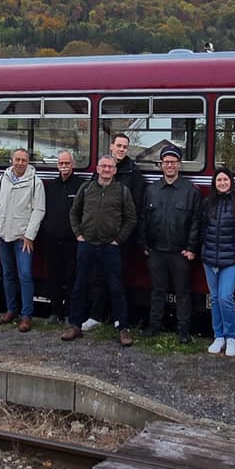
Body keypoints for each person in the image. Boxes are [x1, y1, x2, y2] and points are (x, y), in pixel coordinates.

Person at [60, 156, 136, 347]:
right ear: (97, 168)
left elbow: (130, 218)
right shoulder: (86, 188)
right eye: (103, 166)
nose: (107, 169)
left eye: (110, 167)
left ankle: (123, 328)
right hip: (86, 245)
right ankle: (75, 325)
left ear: (115, 170)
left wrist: (118, 239)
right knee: (80, 285)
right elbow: (74, 213)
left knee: (116, 287)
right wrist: (78, 234)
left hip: (110, 247)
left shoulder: (122, 191)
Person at [83, 133, 149, 332]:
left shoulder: (134, 174)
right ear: (111, 147)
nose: (121, 149)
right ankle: (96, 316)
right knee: (98, 276)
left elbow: (135, 208)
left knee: (118, 277)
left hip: (120, 238)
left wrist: (120, 237)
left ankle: (120, 320)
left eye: (125, 147)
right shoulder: (101, 169)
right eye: (118, 145)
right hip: (98, 235)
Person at [141, 145, 202, 343]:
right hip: (156, 251)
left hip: (180, 253)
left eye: (173, 162)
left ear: (179, 165)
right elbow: (144, 219)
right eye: (166, 162)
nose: (169, 165)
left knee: (183, 293)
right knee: (157, 292)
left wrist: (192, 248)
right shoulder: (151, 190)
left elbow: (196, 222)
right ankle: (154, 327)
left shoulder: (190, 191)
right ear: (161, 165)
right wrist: (144, 244)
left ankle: (183, 331)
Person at [192, 168, 235, 357]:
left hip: (230, 260)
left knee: (226, 298)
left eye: (225, 179)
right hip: (209, 259)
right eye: (219, 180)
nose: (222, 183)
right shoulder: (208, 202)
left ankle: (231, 337)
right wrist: (199, 250)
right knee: (215, 299)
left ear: (231, 181)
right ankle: (218, 337)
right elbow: (201, 228)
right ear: (214, 183)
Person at [0, 148, 47, 332]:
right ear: (11, 160)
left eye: (24, 160)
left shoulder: (35, 182)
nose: (20, 163)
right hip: (3, 235)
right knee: (7, 274)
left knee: (25, 275)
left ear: (28, 162)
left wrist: (30, 235)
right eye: (17, 159)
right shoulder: (1, 180)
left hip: (23, 237)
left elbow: (39, 210)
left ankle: (26, 315)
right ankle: (10, 309)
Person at [41, 150, 85, 323]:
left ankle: (69, 313)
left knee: (72, 277)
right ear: (57, 165)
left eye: (67, 163)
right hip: (52, 239)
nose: (64, 166)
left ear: (72, 165)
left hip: (72, 240)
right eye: (61, 163)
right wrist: (47, 228)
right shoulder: (51, 186)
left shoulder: (81, 185)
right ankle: (55, 312)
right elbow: (44, 210)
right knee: (54, 276)